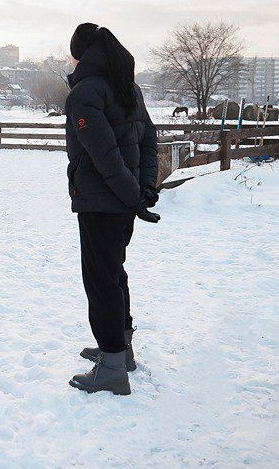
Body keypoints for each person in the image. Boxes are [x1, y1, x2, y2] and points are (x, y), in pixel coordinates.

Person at [64, 23, 159, 396]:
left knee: (101, 281)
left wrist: (135, 195)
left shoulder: (85, 93)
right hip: (121, 202)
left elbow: (105, 157)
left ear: (81, 54)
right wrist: (143, 189)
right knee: (114, 273)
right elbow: (150, 140)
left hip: (102, 203)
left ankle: (113, 366)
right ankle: (122, 348)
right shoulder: (126, 86)